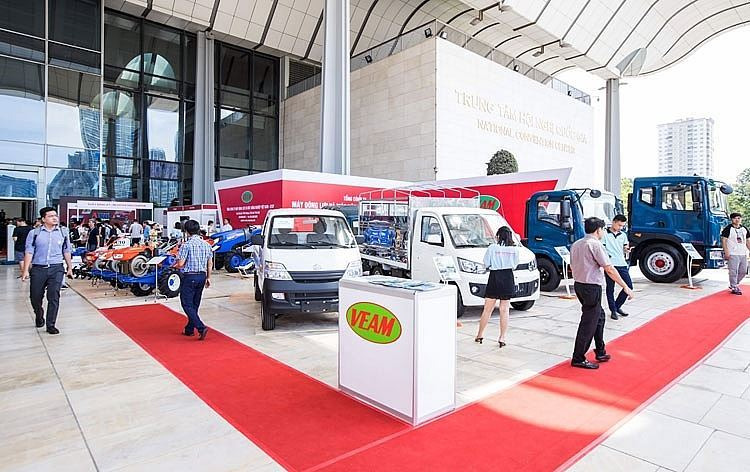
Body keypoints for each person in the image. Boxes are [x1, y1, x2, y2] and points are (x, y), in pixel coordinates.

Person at [570, 217, 634, 369]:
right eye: (603, 230)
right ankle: (578, 357)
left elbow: (572, 266)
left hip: (580, 285)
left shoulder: (576, 244)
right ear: (598, 230)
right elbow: (609, 269)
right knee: (588, 323)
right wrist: (625, 286)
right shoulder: (595, 245)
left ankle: (600, 350)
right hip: (591, 287)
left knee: (599, 317)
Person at [21, 207, 73, 335]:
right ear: (43, 219)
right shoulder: (34, 233)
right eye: (50, 216)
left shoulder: (62, 232)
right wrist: (25, 270)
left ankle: (51, 324)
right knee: (35, 297)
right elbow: (29, 251)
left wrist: (70, 267)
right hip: (38, 268)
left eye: (55, 215)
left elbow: (66, 250)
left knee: (54, 296)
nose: (54, 218)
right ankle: (39, 315)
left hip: (56, 268)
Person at [475, 226, 521, 347]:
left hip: (495, 277)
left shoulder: (492, 248)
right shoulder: (515, 250)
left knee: (487, 309)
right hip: (508, 277)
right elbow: (515, 265)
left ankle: (480, 335)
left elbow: (486, 263)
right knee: (504, 309)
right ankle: (502, 337)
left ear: (498, 236)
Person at [173, 219, 212, 340]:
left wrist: (174, 265)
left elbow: (181, 263)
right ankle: (189, 329)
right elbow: (210, 263)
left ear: (186, 231)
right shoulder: (206, 244)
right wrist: (208, 278)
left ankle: (201, 327)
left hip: (190, 276)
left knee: (186, 304)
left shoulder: (186, 245)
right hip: (202, 276)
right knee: (195, 304)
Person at [602, 214, 633, 320]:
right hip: (610, 264)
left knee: (629, 286)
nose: (620, 227)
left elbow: (625, 247)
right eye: (619, 225)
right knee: (610, 288)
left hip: (622, 263)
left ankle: (617, 306)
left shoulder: (623, 235)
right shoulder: (604, 234)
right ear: (614, 222)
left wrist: (627, 250)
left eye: (622, 226)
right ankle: (613, 310)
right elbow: (602, 248)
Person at [721, 212, 750, 295]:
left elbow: (748, 240)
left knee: (743, 271)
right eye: (735, 218)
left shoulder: (744, 229)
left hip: (743, 253)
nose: (737, 220)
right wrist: (726, 251)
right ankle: (734, 286)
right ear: (732, 219)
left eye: (738, 218)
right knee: (733, 271)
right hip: (733, 253)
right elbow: (724, 240)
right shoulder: (728, 228)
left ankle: (734, 283)